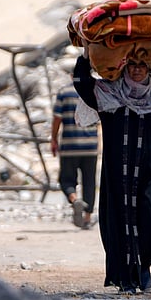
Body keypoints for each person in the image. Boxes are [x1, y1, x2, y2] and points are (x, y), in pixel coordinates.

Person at [72, 53, 151, 293]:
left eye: (142, 66)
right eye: (132, 65)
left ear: (149, 68)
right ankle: (125, 278)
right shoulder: (109, 95)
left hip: (150, 171)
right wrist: (86, 55)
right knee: (119, 223)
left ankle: (144, 266)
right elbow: (82, 83)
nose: (136, 70)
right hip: (118, 173)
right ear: (124, 67)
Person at [51, 83, 100, 228]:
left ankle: (74, 199)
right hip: (90, 146)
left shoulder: (64, 92)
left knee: (66, 180)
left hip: (70, 145)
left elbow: (57, 118)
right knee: (89, 182)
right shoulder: (95, 90)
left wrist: (53, 139)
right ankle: (87, 218)